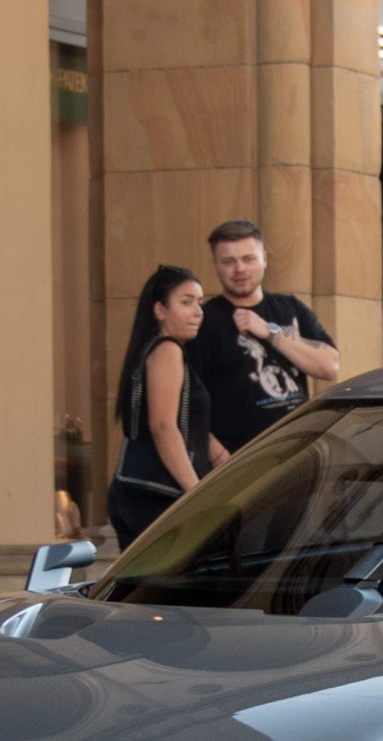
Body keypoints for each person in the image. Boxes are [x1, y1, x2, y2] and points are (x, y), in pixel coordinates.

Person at [193, 219, 338, 455]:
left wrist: (271, 333)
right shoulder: (205, 321)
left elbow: (329, 367)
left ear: (265, 259)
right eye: (229, 261)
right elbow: (188, 404)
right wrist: (219, 458)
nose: (239, 269)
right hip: (240, 461)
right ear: (215, 265)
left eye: (248, 259)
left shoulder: (290, 308)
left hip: (296, 453)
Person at [107, 265, 220, 551]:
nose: (198, 311)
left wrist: (221, 456)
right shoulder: (167, 350)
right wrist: (197, 494)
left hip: (139, 493)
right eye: (187, 302)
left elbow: (183, 423)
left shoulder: (153, 348)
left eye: (200, 302)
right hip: (157, 497)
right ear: (160, 310)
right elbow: (163, 426)